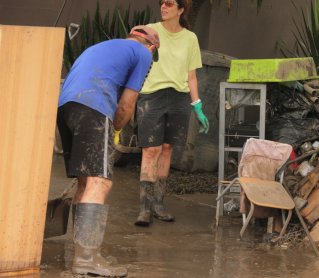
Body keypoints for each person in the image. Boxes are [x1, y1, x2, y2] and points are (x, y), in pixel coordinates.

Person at [57, 25, 159, 277]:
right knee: (100, 182)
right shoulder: (144, 53)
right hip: (94, 105)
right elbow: (127, 103)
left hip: (66, 107)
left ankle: (84, 253)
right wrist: (116, 127)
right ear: (152, 46)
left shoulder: (101, 47)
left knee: (85, 181)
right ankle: (87, 259)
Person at [134, 0, 209, 226]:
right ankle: (144, 209)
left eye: (169, 3)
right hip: (152, 96)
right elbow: (136, 61)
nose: (163, 7)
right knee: (151, 150)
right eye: (162, 3)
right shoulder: (150, 31)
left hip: (178, 98)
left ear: (181, 10)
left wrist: (197, 104)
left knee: (167, 149)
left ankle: (158, 205)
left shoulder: (190, 38)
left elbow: (192, 75)